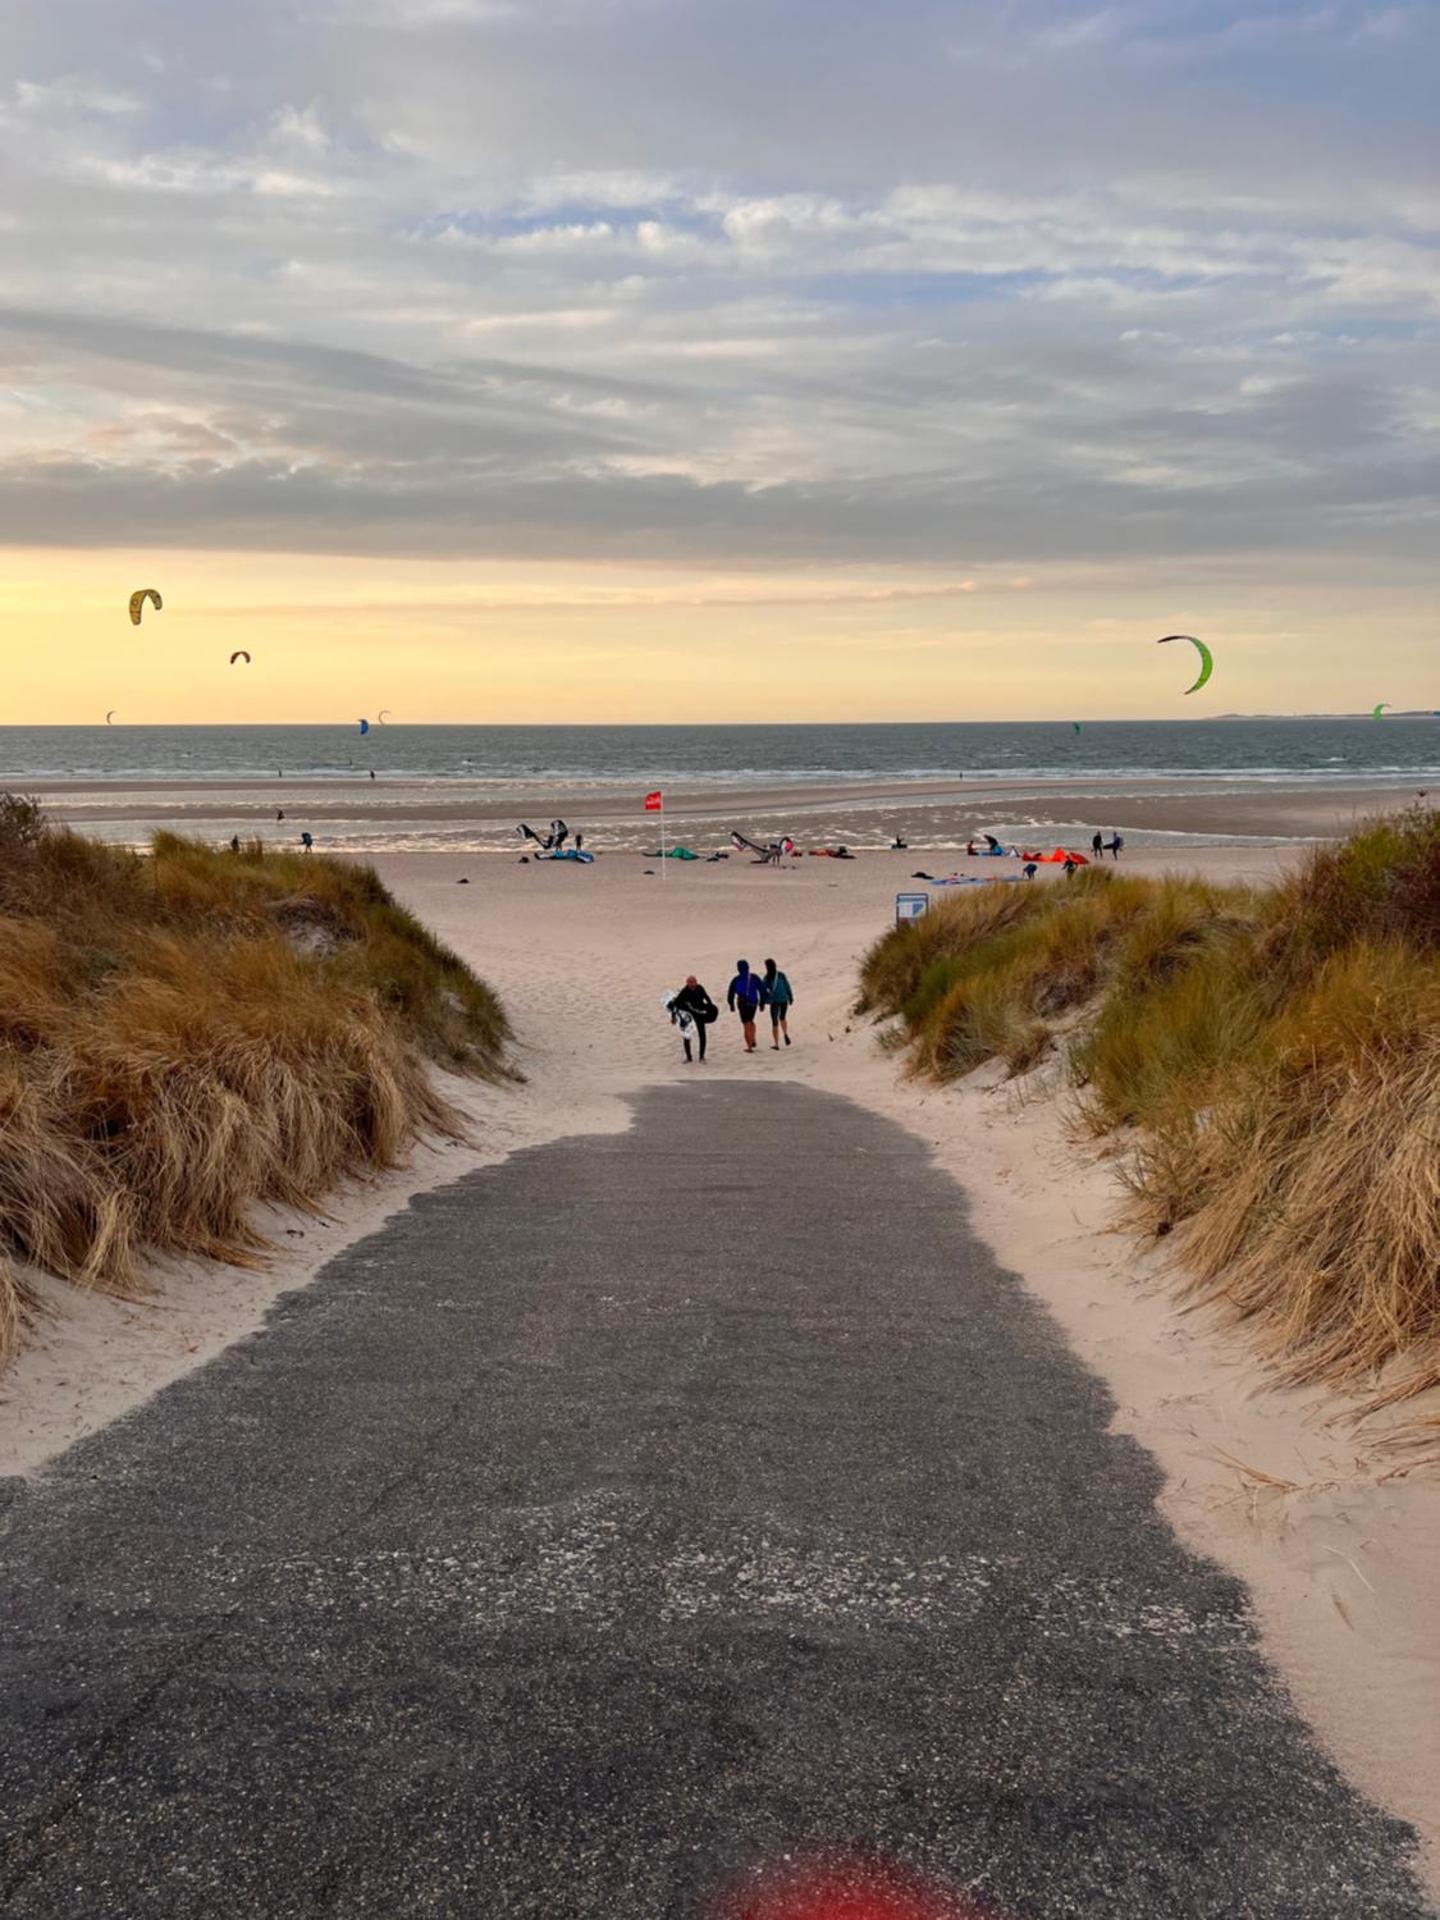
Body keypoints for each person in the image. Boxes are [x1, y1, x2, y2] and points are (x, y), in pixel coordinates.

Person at [669, 975, 718, 1062]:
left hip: (699, 1015)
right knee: (686, 1036)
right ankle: (689, 1057)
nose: (692, 984)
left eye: (693, 982)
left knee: (702, 1035)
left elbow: (707, 997)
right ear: (687, 983)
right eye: (690, 983)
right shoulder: (685, 991)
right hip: (689, 1016)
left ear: (696, 982)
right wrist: (673, 1017)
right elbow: (676, 1004)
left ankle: (701, 1057)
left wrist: (710, 1007)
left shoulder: (700, 988)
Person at [726, 958, 768, 1053]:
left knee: (746, 1024)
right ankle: (753, 1038)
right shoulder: (754, 977)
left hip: (742, 1003)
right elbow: (763, 990)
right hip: (753, 1002)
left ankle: (749, 1047)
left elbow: (731, 993)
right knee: (751, 1021)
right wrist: (762, 1003)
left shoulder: (736, 979)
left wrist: (731, 1004)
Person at [762, 959, 794, 1048]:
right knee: (783, 1017)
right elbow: (787, 986)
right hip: (784, 1000)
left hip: (774, 1001)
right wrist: (790, 996)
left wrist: (763, 1001)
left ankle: (776, 1044)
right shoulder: (781, 975)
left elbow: (763, 990)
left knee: (774, 1022)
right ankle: (785, 1034)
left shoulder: (767, 978)